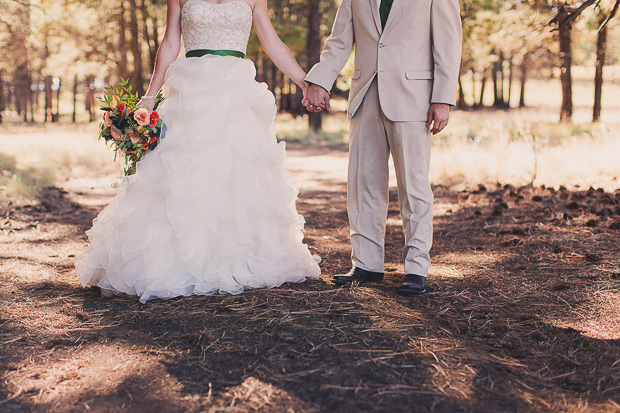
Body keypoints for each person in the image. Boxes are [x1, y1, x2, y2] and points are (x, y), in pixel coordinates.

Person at [75, 0, 320, 303]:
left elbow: (270, 40)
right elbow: (170, 42)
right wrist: (150, 96)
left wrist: (304, 82)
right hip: (190, 91)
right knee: (183, 170)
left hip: (235, 92)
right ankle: (183, 258)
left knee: (236, 172)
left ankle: (233, 257)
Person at [303, 0, 462, 295]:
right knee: (363, 185)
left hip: (414, 97)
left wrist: (442, 98)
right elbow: (339, 40)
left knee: (413, 187)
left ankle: (416, 267)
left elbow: (448, 42)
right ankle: (366, 263)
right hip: (365, 95)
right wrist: (320, 82)